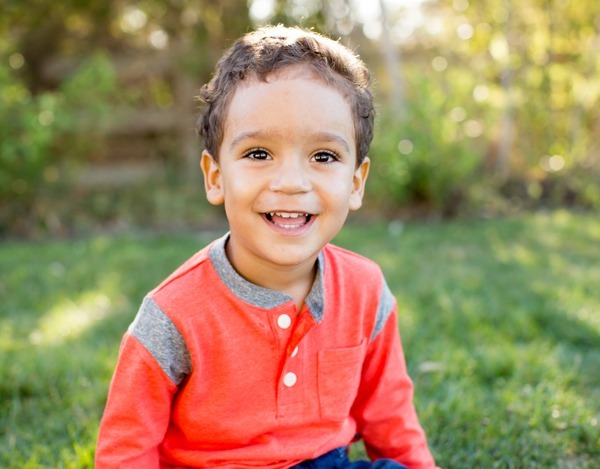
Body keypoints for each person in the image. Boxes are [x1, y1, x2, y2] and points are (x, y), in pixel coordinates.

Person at [95, 25, 438, 469]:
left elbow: (390, 413)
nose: (291, 182)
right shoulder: (172, 315)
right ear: (215, 176)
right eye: (258, 154)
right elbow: (127, 448)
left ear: (356, 182)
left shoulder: (366, 290)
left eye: (324, 156)